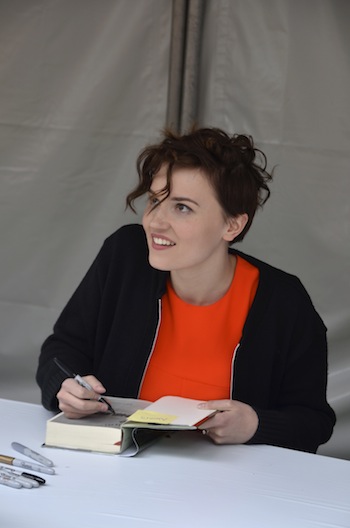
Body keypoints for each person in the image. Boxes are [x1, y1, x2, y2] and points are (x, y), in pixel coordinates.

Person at [36, 127, 336, 453]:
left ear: (232, 225)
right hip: (120, 472)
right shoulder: (124, 256)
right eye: (155, 200)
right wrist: (66, 387)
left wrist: (255, 424)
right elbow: (61, 351)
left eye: (182, 208)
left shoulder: (283, 301)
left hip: (230, 490)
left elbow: (313, 422)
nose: (155, 221)